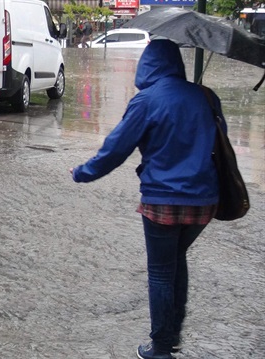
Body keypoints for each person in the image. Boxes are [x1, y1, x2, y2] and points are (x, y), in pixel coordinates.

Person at [70, 40, 222, 359]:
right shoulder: (207, 96)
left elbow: (116, 149)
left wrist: (82, 172)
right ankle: (172, 335)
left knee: (161, 271)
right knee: (176, 260)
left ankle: (162, 347)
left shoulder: (146, 101)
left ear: (147, 64)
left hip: (162, 202)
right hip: (205, 201)